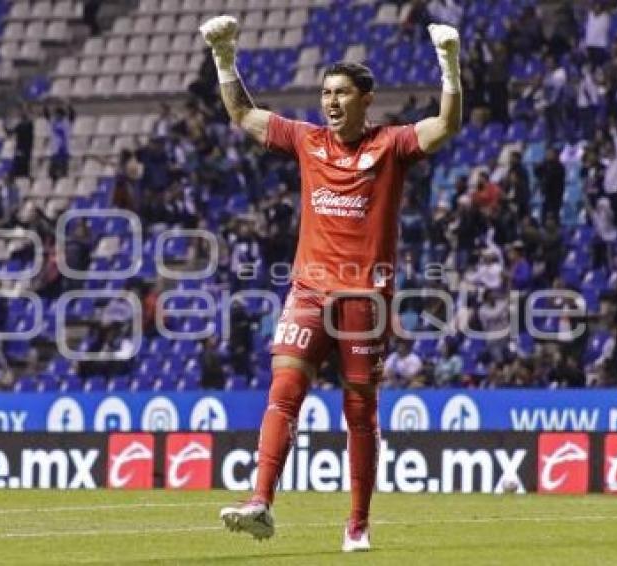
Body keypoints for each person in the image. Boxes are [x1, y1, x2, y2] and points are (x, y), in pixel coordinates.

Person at [200, 15, 461, 551]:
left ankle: (358, 524)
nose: (331, 101)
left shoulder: (391, 145)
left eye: (342, 92)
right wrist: (224, 58)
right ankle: (260, 503)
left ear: (367, 99)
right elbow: (244, 113)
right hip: (309, 291)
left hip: (365, 298)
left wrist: (449, 66)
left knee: (360, 411)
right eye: (325, 92)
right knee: (284, 390)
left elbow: (445, 126)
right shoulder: (306, 140)